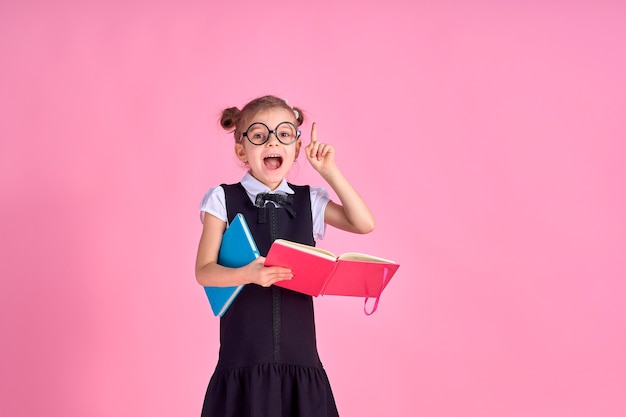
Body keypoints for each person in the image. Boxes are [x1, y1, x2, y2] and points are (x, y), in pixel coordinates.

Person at [195, 95, 375, 417]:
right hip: (243, 359)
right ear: (241, 150)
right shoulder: (223, 199)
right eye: (260, 135)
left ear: (295, 147)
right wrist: (249, 274)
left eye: (284, 134)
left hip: (300, 360)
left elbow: (364, 223)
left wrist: (329, 172)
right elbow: (204, 271)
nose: (272, 142)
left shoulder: (309, 201)